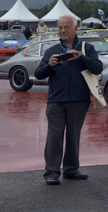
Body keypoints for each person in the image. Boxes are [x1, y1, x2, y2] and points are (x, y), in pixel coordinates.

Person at [34, 15, 103, 185]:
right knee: (54, 136)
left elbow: (97, 68)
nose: (63, 30)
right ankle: (52, 172)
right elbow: (38, 74)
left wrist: (81, 57)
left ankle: (71, 169)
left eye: (66, 27)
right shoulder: (52, 50)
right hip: (56, 100)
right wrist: (48, 65)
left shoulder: (87, 48)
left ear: (75, 28)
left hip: (79, 99)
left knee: (73, 135)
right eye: (60, 27)